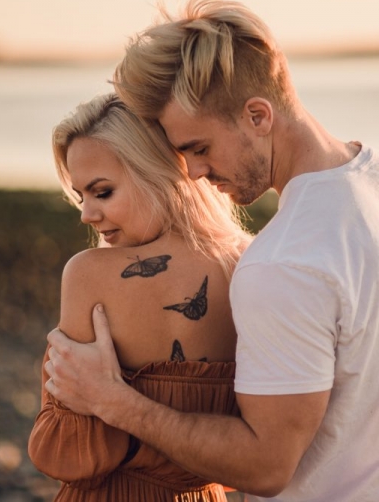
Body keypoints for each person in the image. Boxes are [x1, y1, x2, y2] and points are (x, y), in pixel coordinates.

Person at [44, 0, 379, 501]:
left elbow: (266, 466)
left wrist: (116, 403)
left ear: (257, 115)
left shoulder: (281, 262)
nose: (194, 172)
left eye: (200, 148)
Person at [27, 93, 252, 501]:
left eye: (102, 192)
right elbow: (255, 447)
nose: (86, 215)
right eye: (81, 196)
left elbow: (68, 452)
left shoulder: (88, 273)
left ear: (157, 171)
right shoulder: (249, 264)